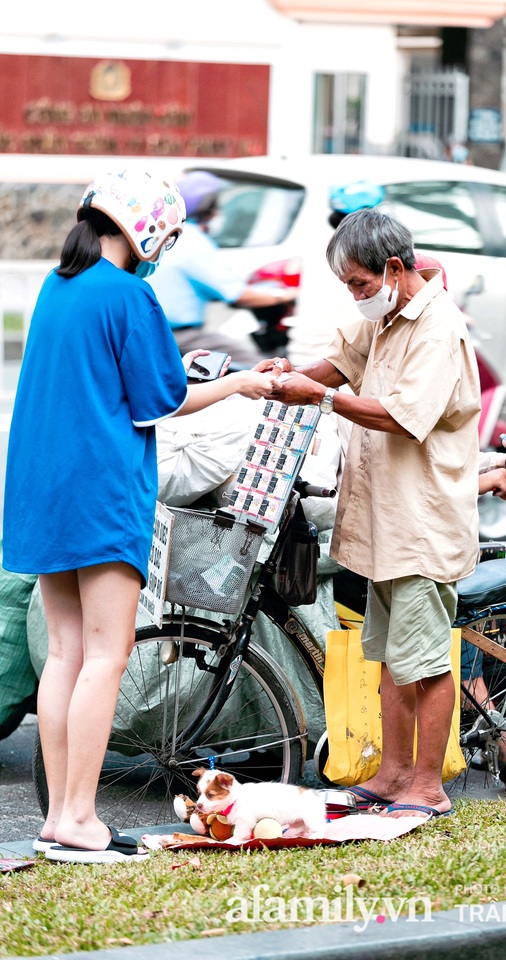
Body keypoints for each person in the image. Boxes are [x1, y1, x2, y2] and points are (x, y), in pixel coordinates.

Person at [1, 170, 276, 864]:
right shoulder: (129, 294)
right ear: (148, 229)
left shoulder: (58, 286)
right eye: (171, 235)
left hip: (42, 487)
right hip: (101, 489)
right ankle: (80, 817)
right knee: (108, 654)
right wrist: (240, 381)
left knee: (64, 653)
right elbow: (161, 399)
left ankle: (60, 817)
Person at [259, 208, 482, 819]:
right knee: (386, 655)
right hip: (384, 522)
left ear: (391, 268)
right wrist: (282, 379)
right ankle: (392, 774)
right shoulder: (385, 315)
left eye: (360, 285)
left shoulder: (438, 330)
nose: (357, 297)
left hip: (420, 524)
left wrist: (323, 398)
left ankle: (427, 786)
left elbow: (400, 416)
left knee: (429, 660)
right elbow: (339, 362)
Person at [147, 170, 295, 360]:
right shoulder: (192, 239)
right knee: (259, 368)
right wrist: (284, 296)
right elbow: (237, 295)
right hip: (180, 337)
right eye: (215, 205)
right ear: (206, 207)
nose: (219, 212)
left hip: (158, 333)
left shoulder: (172, 234)